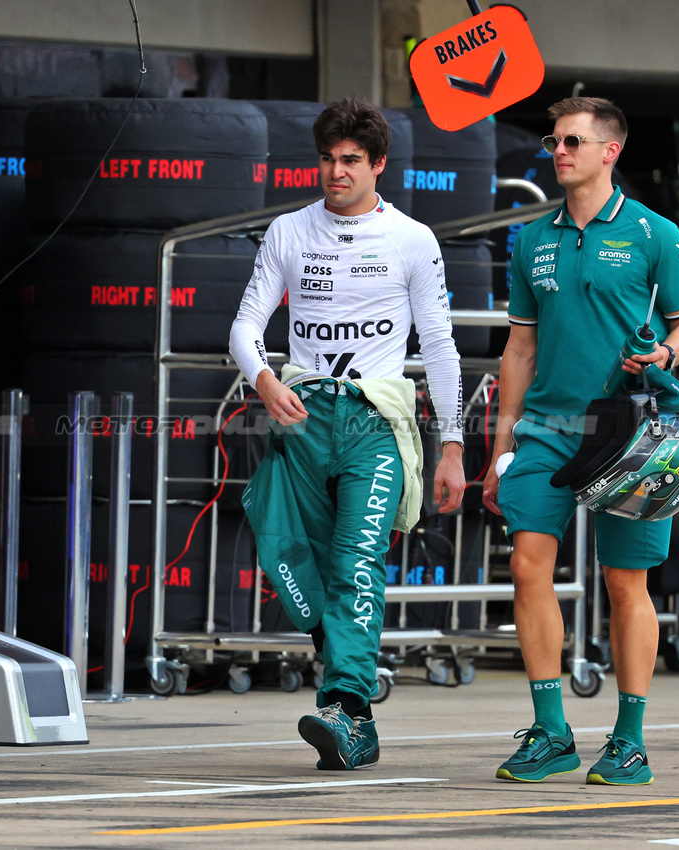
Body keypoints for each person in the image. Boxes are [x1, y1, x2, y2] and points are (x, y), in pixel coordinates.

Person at [229, 98, 466, 770]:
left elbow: (441, 346)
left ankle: (348, 709)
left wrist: (451, 446)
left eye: (350, 161)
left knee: (356, 563)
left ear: (378, 165)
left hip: (374, 425)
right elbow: (245, 326)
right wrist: (264, 381)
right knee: (288, 558)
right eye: (328, 159)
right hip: (300, 420)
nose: (336, 172)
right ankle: (345, 698)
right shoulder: (288, 230)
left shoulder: (413, 239)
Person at [482, 97, 679, 786]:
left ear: (610, 151)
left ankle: (629, 740)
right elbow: (519, 349)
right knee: (525, 566)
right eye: (554, 141)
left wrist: (664, 354)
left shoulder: (654, 233)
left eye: (572, 141)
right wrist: (500, 445)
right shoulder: (532, 239)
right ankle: (551, 732)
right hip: (547, 429)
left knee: (622, 583)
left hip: (630, 432)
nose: (558, 151)